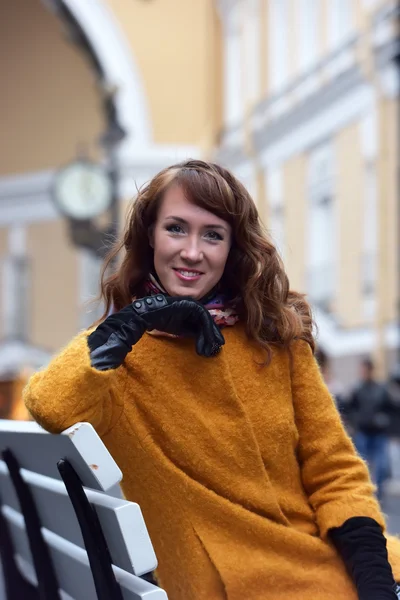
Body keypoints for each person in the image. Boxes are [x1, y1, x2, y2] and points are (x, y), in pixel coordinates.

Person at [23, 160, 400, 600]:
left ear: (233, 248)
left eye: (213, 235)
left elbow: (333, 469)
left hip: (333, 561)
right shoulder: (117, 357)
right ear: (150, 236)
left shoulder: (276, 337)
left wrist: (374, 576)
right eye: (176, 228)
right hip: (240, 586)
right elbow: (50, 405)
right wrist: (137, 319)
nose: (193, 252)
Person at [348, 358, 393, 501]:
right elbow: (350, 408)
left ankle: (378, 492)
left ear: (370, 370)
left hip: (378, 433)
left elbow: (391, 408)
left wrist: (383, 419)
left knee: (381, 465)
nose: (363, 373)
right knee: (363, 463)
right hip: (363, 432)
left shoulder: (381, 389)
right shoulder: (357, 389)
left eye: (365, 370)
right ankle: (365, 491)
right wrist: (356, 421)